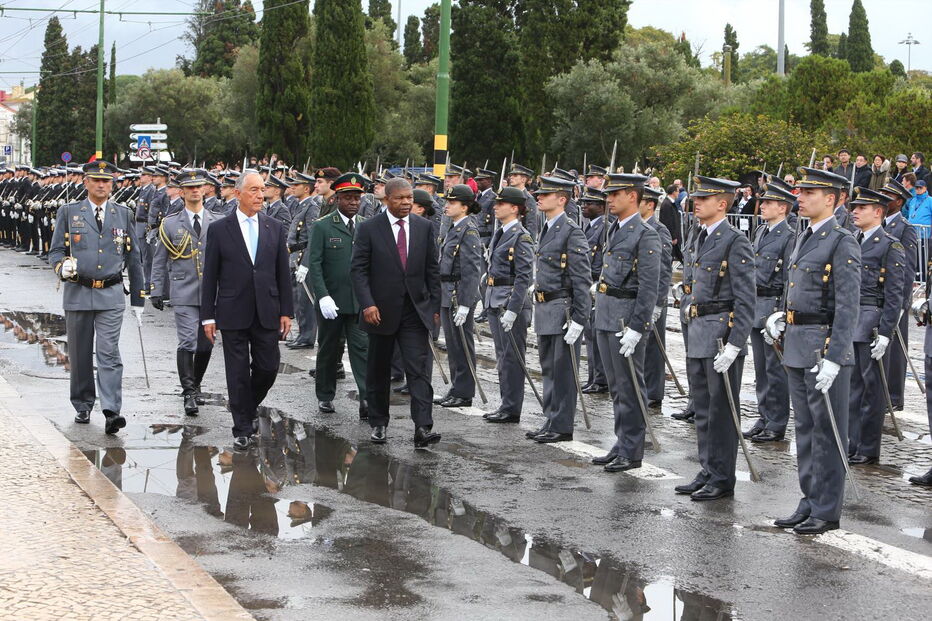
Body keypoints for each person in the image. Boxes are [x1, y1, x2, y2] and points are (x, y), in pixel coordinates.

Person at [766, 167, 860, 535]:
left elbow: (848, 305)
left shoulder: (841, 241)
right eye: (801, 191)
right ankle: (809, 498)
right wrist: (782, 317)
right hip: (797, 344)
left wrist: (836, 356)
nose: (800, 198)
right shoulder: (803, 236)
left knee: (828, 431)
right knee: (805, 429)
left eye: (810, 193)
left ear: (833, 199)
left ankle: (827, 508)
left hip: (823, 349)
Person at [47, 160, 146, 435]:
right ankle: (82, 403)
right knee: (79, 353)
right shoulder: (69, 212)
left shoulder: (123, 213)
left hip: (111, 294)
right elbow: (55, 251)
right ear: (86, 182)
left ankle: (112, 410)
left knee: (108, 352)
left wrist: (138, 298)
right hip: (78, 291)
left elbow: (134, 257)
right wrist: (60, 267)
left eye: (107, 181)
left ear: (112, 184)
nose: (102, 185)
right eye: (96, 180)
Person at [200, 171, 294, 450]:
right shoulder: (219, 229)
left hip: (267, 308)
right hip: (232, 310)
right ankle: (242, 426)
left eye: (262, 190)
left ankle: (246, 404)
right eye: (253, 190)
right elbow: (210, 276)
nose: (259, 195)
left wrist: (286, 311)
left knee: (268, 367)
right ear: (238, 193)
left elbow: (282, 273)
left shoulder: (274, 227)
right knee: (237, 371)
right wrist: (208, 315)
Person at [673, 176, 754, 502]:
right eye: (696, 198)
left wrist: (736, 342)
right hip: (699, 332)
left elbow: (746, 297)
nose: (697, 204)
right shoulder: (701, 237)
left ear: (722, 203)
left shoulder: (734, 241)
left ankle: (722, 477)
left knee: (721, 411)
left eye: (704, 199)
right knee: (704, 409)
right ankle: (708, 469)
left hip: (721, 335)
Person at [350, 178, 442, 448]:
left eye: (409, 198)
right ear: (387, 199)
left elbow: (432, 270)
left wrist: (434, 307)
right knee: (378, 370)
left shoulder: (424, 228)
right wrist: (367, 304)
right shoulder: (369, 228)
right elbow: (358, 270)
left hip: (414, 311)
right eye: (400, 198)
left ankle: (423, 428)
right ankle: (379, 423)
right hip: (379, 312)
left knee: (418, 370)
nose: (406, 203)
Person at [589, 174, 660, 472]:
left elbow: (648, 287)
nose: (609, 199)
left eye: (615, 194)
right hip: (607, 313)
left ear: (633, 196)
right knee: (617, 386)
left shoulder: (645, 235)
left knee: (630, 385)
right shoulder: (615, 229)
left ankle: (632, 449)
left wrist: (637, 326)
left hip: (625, 319)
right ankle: (622, 442)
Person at [526, 176, 591, 444]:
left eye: (546, 194)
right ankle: (551, 418)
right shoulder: (547, 227)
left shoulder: (570, 231)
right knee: (549, 368)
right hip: (545, 308)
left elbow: (581, 279)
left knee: (563, 369)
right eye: (539, 194)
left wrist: (579, 318)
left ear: (562, 199)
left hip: (562, 309)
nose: (539, 197)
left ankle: (562, 424)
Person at [150, 169, 219, 416]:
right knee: (188, 340)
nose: (194, 191)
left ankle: (196, 383)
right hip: (183, 290)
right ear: (181, 192)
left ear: (205, 190)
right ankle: (188, 392)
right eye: (189, 188)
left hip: (212, 292)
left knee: (206, 343)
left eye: (198, 187)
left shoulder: (218, 221)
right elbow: (159, 260)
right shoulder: (170, 223)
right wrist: (156, 289)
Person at [846, 188, 906, 465]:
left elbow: (894, 294)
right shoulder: (851, 240)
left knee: (871, 390)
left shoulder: (889, 244)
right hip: (849, 320)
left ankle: (868, 448)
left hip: (871, 321)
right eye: (854, 207)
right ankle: (851, 441)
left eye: (862, 208)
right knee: (851, 387)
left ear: (878, 212)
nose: (855, 211)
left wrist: (885, 332)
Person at [303, 173, 369, 419]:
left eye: (357, 198)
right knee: (330, 350)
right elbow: (315, 264)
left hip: (359, 301)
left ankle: (366, 399)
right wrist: (322, 296)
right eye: (348, 198)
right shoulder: (323, 225)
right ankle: (326, 396)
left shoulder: (366, 225)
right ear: (338, 198)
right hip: (331, 301)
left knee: (362, 350)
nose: (353, 202)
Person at [483, 186, 535, 424]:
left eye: (501, 203)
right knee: (502, 356)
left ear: (514, 208)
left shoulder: (520, 236)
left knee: (512, 358)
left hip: (509, 303)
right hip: (496, 299)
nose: (495, 206)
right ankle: (506, 404)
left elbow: (524, 277)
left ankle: (512, 408)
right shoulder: (501, 232)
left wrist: (513, 309)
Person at [747, 184, 795, 443]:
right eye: (762, 202)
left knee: (775, 369)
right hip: (757, 305)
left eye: (768, 203)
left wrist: (783, 314)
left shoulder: (788, 236)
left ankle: (777, 422)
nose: (762, 206)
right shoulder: (761, 231)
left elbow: (789, 278)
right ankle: (764, 416)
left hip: (773, 308)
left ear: (782, 208)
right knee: (761, 369)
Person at [434, 184, 483, 408]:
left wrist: (465, 304)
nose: (447, 206)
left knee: (462, 344)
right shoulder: (454, 229)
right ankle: (456, 388)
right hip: (447, 293)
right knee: (453, 345)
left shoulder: (469, 231)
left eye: (452, 203)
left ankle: (464, 392)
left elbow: (472, 272)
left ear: (464, 207)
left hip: (458, 295)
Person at [878, 178, 919, 411]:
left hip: (895, 297)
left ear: (898, 201)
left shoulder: (905, 228)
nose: (883, 199)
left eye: (888, 196)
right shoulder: (880, 225)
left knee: (894, 350)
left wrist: (903, 302)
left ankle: (893, 397)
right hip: (877, 296)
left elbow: (908, 269)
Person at [639, 185, 673, 408]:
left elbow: (664, 269)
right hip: (641, 296)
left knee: (653, 348)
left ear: (650, 204)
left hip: (654, 299)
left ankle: (653, 392)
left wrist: (659, 302)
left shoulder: (659, 231)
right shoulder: (638, 228)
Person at [286, 172, 319, 350]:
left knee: (305, 299)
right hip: (294, 256)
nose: (292, 187)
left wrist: (306, 263)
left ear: (306, 188)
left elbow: (312, 238)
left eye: (296, 185)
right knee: (298, 299)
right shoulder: (300, 205)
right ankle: (302, 334)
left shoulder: (311, 207)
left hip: (302, 256)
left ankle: (307, 336)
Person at [580, 189, 608, 394]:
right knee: (590, 334)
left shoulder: (604, 228)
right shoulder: (589, 227)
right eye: (583, 202)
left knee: (596, 334)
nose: (584, 206)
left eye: (589, 203)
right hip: (588, 282)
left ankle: (601, 378)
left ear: (601, 207)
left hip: (596, 283)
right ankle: (593, 376)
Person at [506, 163, 541, 240]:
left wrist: (529, 244)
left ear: (523, 179)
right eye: (511, 175)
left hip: (520, 240)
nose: (511, 177)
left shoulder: (528, 199)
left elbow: (531, 225)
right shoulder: (508, 196)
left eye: (515, 175)